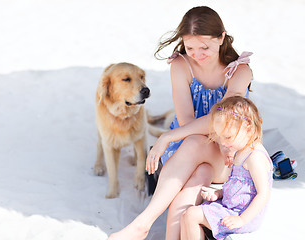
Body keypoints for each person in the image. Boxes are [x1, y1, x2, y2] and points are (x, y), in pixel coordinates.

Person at [108, 6, 253, 240]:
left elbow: (222, 119)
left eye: (205, 47)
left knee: (197, 141)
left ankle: (141, 225)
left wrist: (167, 136)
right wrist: (176, 136)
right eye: (190, 47)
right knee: (199, 173)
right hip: (188, 148)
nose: (197, 54)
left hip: (226, 151)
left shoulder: (240, 71)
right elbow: (186, 119)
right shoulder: (181, 65)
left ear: (221, 37)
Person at [181, 96, 272, 240]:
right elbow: (241, 186)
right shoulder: (241, 150)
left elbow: (263, 194)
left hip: (243, 215)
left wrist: (241, 219)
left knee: (191, 216)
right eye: (220, 136)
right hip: (231, 207)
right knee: (187, 215)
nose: (222, 142)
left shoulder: (255, 157)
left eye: (228, 137)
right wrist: (219, 193)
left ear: (248, 129)